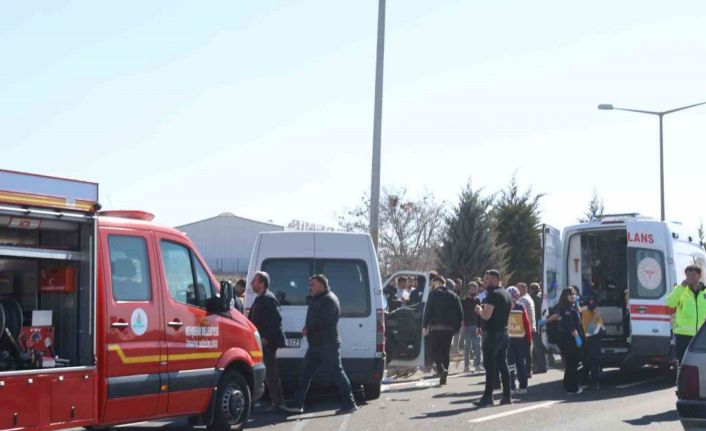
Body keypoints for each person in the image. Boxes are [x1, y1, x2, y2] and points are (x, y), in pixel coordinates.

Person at [282, 275, 358, 415]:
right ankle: (297, 404)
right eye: (310, 284)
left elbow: (324, 320)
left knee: (337, 373)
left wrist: (309, 328)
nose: (310, 287)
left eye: (313, 284)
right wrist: (307, 327)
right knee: (305, 373)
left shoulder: (329, 299)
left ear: (322, 285)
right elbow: (314, 318)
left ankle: (350, 403)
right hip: (315, 345)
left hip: (328, 345)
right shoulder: (317, 298)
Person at [473, 269, 513, 407]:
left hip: (493, 334)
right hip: (504, 332)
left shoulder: (493, 295)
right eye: (484, 279)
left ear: (496, 279)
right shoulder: (506, 293)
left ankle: (487, 397)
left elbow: (486, 315)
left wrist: (479, 310)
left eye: (488, 279)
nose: (485, 282)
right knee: (503, 364)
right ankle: (507, 395)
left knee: (490, 366)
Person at [247, 271, 286, 412]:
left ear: (262, 283)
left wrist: (267, 338)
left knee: (270, 373)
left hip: (267, 343)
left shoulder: (269, 299)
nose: (251, 283)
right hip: (259, 341)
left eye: (254, 281)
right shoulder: (260, 298)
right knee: (262, 373)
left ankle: (277, 403)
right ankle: (265, 400)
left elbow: (276, 321)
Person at [422, 276, 463, 385]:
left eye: (434, 283)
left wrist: (425, 325)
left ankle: (441, 369)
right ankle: (444, 375)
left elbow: (428, 310)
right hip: (449, 329)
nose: (433, 285)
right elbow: (460, 312)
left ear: (438, 283)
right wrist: (457, 327)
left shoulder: (433, 294)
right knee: (445, 352)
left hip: (436, 327)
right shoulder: (454, 295)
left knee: (432, 351)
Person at [666, 265, 706, 365]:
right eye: (688, 275)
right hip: (683, 335)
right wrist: (681, 287)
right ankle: (680, 376)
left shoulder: (704, 292)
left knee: (700, 363)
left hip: (701, 335)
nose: (690, 277)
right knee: (682, 364)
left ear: (699, 275)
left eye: (693, 275)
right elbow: (669, 303)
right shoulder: (680, 290)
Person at [557, 286, 584, 394]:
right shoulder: (566, 308)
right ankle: (572, 388)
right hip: (569, 338)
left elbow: (580, 313)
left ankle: (567, 384)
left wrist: (576, 302)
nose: (573, 296)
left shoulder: (571, 306)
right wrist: (577, 337)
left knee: (571, 363)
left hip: (570, 337)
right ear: (565, 296)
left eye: (574, 294)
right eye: (570, 294)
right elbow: (569, 325)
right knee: (573, 363)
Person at [506, 286, 532, 395]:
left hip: (509, 340)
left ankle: (511, 387)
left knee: (510, 365)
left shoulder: (503, 308)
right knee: (520, 364)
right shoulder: (521, 307)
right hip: (520, 340)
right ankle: (522, 387)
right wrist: (529, 340)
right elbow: (527, 324)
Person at [579, 296, 604, 390]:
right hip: (586, 333)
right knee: (586, 357)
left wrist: (592, 323)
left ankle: (594, 382)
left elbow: (598, 312)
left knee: (593, 358)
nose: (573, 296)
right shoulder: (577, 303)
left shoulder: (587, 299)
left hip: (594, 332)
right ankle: (585, 380)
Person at [462, 281, 483, 373]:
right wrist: (462, 324)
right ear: (468, 290)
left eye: (475, 290)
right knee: (467, 347)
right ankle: (466, 366)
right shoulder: (464, 301)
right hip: (467, 326)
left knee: (478, 346)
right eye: (472, 289)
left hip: (476, 326)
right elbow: (462, 314)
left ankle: (478, 365)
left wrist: (480, 326)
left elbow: (480, 314)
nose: (473, 291)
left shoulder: (478, 300)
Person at [516, 282, 535, 378]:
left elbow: (518, 313)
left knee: (524, 351)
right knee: (528, 350)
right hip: (530, 326)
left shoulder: (522, 300)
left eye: (518, 289)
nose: (517, 291)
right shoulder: (528, 298)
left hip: (524, 328)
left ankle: (526, 370)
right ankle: (528, 370)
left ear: (523, 289)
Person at [529, 282, 547, 373]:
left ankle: (542, 367)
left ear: (531, 290)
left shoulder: (533, 298)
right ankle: (542, 365)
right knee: (540, 345)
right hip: (541, 323)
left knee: (537, 346)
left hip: (536, 324)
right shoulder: (541, 297)